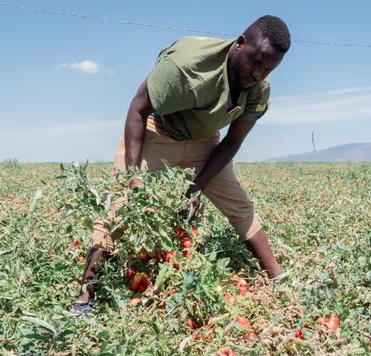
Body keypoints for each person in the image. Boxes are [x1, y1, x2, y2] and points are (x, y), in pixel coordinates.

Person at [73, 15, 291, 315]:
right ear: (240, 44)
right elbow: (137, 109)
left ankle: (278, 279)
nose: (258, 73)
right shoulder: (188, 66)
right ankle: (85, 296)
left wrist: (197, 187)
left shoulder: (259, 89)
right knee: (121, 208)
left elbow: (232, 141)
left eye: (268, 69)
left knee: (239, 206)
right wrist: (134, 177)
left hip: (204, 141)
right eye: (256, 62)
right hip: (156, 131)